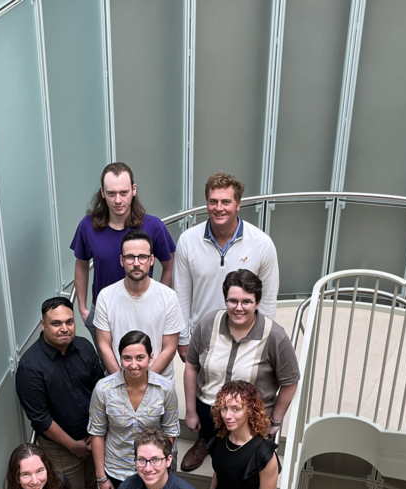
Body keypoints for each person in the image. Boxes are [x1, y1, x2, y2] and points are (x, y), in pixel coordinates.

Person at [15, 297, 107, 489]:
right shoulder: (30, 367)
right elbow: (40, 419)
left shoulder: (85, 347)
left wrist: (96, 432)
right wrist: (73, 445)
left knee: (92, 485)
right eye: (56, 323)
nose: (64, 328)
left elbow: (100, 387)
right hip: (60, 445)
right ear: (43, 324)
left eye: (69, 322)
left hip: (94, 436)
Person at [181, 268, 299, 471]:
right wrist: (191, 412)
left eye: (246, 301)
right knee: (211, 437)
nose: (239, 307)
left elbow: (290, 381)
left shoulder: (275, 336)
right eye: (232, 301)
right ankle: (205, 441)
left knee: (240, 469)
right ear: (225, 300)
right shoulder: (208, 324)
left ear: (258, 303)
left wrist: (276, 421)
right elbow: (191, 366)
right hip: (208, 409)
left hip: (250, 418)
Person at [89, 331, 180, 489]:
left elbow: (171, 431)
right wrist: (101, 476)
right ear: (119, 358)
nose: (134, 364)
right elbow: (97, 433)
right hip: (118, 468)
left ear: (151, 357)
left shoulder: (165, 388)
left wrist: (160, 466)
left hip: (154, 471)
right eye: (127, 358)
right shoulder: (104, 389)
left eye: (140, 357)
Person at [173, 171, 279, 361]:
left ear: (238, 205)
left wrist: (263, 340)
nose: (219, 208)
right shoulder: (188, 241)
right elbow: (181, 294)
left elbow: (269, 298)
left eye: (226, 202)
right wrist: (182, 339)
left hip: (246, 339)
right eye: (213, 201)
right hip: (202, 339)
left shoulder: (262, 243)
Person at [71, 162, 176, 344]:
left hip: (144, 310)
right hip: (103, 312)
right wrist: (82, 308)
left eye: (123, 193)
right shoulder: (87, 225)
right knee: (109, 367)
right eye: (111, 194)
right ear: (103, 193)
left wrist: (160, 303)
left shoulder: (154, 226)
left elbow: (169, 265)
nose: (118, 200)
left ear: (133, 190)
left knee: (142, 365)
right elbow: (81, 265)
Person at [94, 231, 185, 381]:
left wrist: (144, 382)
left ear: (151, 260)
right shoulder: (105, 296)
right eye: (130, 257)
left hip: (159, 382)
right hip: (119, 381)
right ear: (121, 260)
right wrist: (123, 383)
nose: (136, 263)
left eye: (142, 257)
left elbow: (169, 349)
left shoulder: (168, 296)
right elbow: (104, 346)